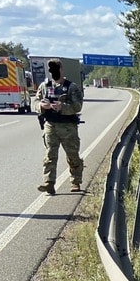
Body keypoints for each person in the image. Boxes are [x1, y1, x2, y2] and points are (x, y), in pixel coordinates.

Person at [34, 58, 84, 194]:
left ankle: (75, 182)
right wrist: (41, 106)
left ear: (61, 70)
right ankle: (49, 183)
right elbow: (36, 101)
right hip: (50, 125)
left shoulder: (71, 87)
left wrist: (62, 107)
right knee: (50, 155)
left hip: (68, 127)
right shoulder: (44, 86)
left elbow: (77, 106)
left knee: (72, 155)